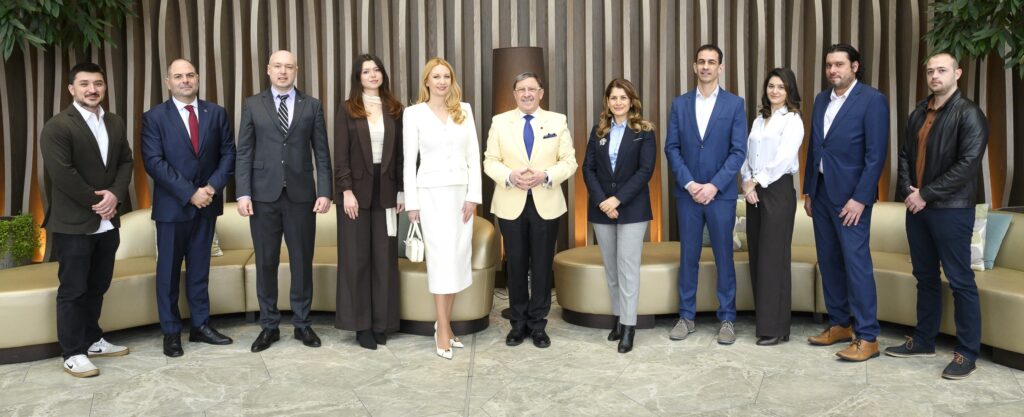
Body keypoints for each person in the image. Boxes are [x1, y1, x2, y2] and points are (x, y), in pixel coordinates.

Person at [885, 52, 988, 379]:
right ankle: (924, 340)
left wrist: (925, 194)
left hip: (952, 210)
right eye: (930, 71)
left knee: (960, 280)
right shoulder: (918, 112)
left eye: (941, 70)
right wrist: (908, 192)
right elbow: (904, 155)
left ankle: (967, 353)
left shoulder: (969, 113)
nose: (934, 76)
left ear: (957, 73)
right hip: (918, 209)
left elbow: (967, 165)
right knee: (925, 277)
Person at [40, 62, 134, 377]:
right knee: (73, 289)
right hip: (74, 224)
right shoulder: (57, 126)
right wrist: (100, 203)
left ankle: (93, 340)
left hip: (108, 223)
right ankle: (72, 352)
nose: (92, 90)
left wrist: (115, 196)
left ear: (104, 87)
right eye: (84, 84)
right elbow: (62, 174)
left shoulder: (115, 122)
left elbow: (125, 162)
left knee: (97, 285)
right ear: (72, 89)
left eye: (98, 83)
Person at [235, 50, 332, 353]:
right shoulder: (253, 104)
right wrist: (243, 193)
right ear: (268, 69)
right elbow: (244, 152)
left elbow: (322, 152)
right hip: (263, 197)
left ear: (296, 70)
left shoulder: (311, 105)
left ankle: (303, 324)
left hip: (302, 197)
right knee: (266, 262)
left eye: (288, 67)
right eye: (277, 66)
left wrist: (325, 191)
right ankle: (269, 326)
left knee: (302, 261)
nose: (283, 71)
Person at [142, 58, 236, 357]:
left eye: (190, 75)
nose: (185, 80)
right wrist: (190, 193)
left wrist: (210, 189)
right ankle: (171, 332)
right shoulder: (154, 117)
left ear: (197, 78)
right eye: (178, 76)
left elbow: (228, 154)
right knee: (168, 273)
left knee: (199, 270)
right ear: (168, 82)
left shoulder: (216, 113)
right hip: (172, 209)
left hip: (207, 205)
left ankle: (200, 326)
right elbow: (154, 162)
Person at [803, 43, 889, 361]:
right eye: (829, 65)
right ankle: (840, 324)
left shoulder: (872, 100)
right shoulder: (821, 99)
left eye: (839, 64)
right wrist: (809, 191)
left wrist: (860, 199)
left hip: (852, 199)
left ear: (855, 66)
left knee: (856, 265)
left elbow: (876, 155)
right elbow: (815, 147)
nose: (833, 70)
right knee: (829, 261)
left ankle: (867, 336)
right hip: (822, 194)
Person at [484, 71, 577, 349]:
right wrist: (510, 176)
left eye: (532, 89)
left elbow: (569, 161)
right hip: (510, 204)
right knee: (515, 264)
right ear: (514, 94)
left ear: (541, 93)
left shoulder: (557, 121)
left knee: (541, 265)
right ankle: (518, 323)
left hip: (546, 203)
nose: (527, 94)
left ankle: (538, 325)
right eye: (521, 89)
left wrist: (546, 175)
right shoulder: (500, 122)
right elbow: (490, 161)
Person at [664, 44, 748, 345]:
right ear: (694, 66)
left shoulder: (734, 104)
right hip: (687, 195)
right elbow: (671, 148)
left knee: (724, 257)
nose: (706, 66)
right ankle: (686, 316)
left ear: (720, 68)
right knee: (689, 256)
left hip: (720, 195)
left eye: (712, 62)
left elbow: (738, 151)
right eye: (701, 61)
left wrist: (714, 185)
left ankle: (727, 318)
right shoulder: (680, 104)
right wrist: (689, 183)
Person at [403, 58, 482, 360]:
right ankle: (443, 330)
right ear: (426, 81)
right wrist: (412, 204)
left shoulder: (464, 110)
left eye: (446, 76)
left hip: (461, 196)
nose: (441, 81)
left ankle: (444, 325)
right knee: (440, 261)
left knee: (457, 259)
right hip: (431, 196)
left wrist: (473, 197)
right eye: (435, 76)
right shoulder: (413, 114)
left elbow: (473, 156)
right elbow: (409, 162)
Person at [334, 54, 405, 350]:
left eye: (376, 70)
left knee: (384, 259)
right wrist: (346, 191)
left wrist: (402, 191)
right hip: (355, 192)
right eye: (366, 71)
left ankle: (381, 323)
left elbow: (401, 154)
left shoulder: (395, 108)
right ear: (358, 77)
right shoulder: (347, 108)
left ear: (383, 75)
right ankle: (361, 325)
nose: (372, 75)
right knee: (356, 259)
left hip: (387, 191)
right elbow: (341, 154)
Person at [581, 78, 656, 354]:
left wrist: (617, 199)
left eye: (623, 97)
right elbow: (588, 169)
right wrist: (603, 201)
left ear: (632, 101)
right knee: (611, 268)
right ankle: (617, 319)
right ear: (607, 102)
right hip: (602, 209)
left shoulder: (644, 131)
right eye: (613, 98)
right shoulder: (599, 131)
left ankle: (629, 326)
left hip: (632, 209)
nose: (618, 102)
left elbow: (645, 171)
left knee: (627, 267)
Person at [740, 68, 804, 346]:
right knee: (757, 256)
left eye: (781, 87)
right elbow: (748, 156)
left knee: (773, 259)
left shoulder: (792, 120)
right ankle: (766, 324)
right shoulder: (759, 120)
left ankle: (776, 328)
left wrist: (755, 181)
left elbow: (783, 159)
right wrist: (747, 182)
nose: (775, 91)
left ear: (789, 91)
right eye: (771, 86)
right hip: (754, 191)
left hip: (777, 191)